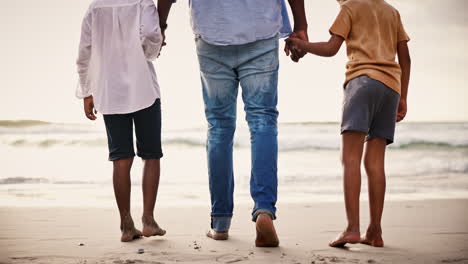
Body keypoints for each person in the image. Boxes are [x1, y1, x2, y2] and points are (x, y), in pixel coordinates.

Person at [157, 0, 308, 247]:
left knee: (219, 127)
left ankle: (220, 222)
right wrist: (301, 25)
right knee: (262, 121)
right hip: (261, 27)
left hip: (212, 32)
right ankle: (264, 210)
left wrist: (161, 25)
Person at [286, 0, 411, 247]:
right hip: (391, 88)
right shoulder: (392, 12)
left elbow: (332, 48)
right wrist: (403, 96)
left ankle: (352, 228)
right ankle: (375, 231)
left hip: (362, 83)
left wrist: (302, 45)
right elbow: (405, 58)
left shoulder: (350, 7)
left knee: (350, 158)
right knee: (375, 162)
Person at [76, 0, 166, 242]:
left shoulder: (95, 8)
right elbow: (150, 33)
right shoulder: (142, 2)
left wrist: (87, 90)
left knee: (121, 158)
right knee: (151, 155)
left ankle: (126, 224)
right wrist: (152, 51)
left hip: (109, 89)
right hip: (143, 88)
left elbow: (84, 51)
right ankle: (148, 220)